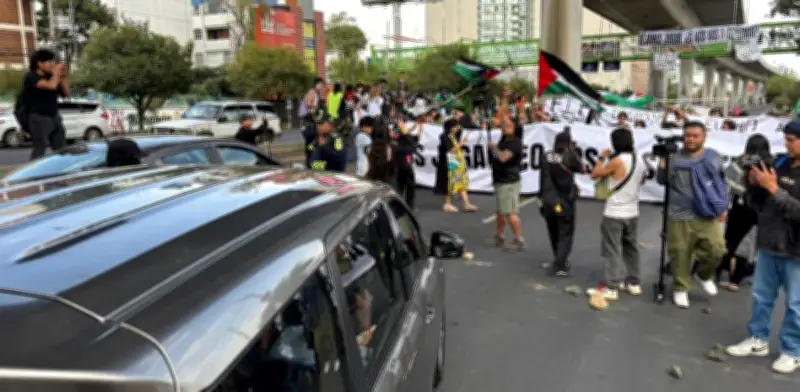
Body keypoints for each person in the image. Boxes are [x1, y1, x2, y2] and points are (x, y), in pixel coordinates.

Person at [725, 121, 800, 374]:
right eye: (786, 139)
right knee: (761, 297)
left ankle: (792, 351)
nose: (787, 144)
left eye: (792, 140)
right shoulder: (779, 163)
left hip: (795, 250)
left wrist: (773, 188)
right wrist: (754, 186)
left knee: (795, 304)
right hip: (769, 244)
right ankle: (758, 339)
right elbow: (758, 205)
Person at [656, 121, 727, 308]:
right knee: (680, 253)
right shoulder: (674, 157)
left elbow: (721, 184)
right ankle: (681, 288)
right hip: (679, 213)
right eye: (687, 135)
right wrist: (663, 162)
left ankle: (704, 275)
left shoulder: (713, 157)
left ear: (704, 137)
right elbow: (661, 181)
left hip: (707, 213)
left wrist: (723, 207)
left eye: (696, 135)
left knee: (717, 249)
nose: (691, 139)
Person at [586, 128, 647, 299]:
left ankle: (611, 287)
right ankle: (634, 283)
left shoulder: (617, 161)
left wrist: (602, 158)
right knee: (631, 248)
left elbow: (595, 174)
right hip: (632, 211)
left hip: (614, 212)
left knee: (611, 250)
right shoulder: (639, 158)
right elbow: (642, 180)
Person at [717, 134, 772, 291]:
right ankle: (735, 278)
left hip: (743, 205)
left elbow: (728, 178)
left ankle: (720, 272)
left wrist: (744, 193)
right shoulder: (769, 160)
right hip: (757, 208)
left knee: (731, 241)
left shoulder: (745, 159)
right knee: (746, 244)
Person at [539, 129, 585, 276]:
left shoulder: (546, 156)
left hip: (547, 200)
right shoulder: (569, 156)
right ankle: (559, 265)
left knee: (553, 231)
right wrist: (575, 151)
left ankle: (558, 260)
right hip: (563, 201)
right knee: (565, 232)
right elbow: (582, 169)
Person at [486, 116, 524, 251]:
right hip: (500, 179)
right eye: (504, 125)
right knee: (501, 211)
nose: (504, 127)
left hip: (509, 181)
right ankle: (499, 236)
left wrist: (493, 148)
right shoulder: (505, 140)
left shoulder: (515, 143)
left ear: (515, 129)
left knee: (510, 212)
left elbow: (503, 157)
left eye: (508, 126)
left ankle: (518, 239)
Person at [22, 49, 69, 160]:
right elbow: (50, 86)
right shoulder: (31, 76)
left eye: (53, 61)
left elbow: (66, 94)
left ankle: (61, 172)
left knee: (61, 148)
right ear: (39, 63)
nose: (53, 64)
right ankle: (32, 175)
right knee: (39, 150)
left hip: (54, 116)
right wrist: (56, 73)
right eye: (49, 62)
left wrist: (64, 77)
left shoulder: (52, 77)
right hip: (39, 118)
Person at [434, 119, 477, 213]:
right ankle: (447, 204)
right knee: (451, 183)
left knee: (460, 182)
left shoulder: (453, 135)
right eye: (455, 126)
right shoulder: (444, 136)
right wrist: (462, 142)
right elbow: (451, 150)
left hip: (456, 161)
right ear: (450, 127)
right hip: (450, 162)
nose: (457, 128)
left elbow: (463, 128)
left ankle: (466, 204)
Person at [391, 117, 422, 209]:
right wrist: (400, 126)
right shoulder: (397, 136)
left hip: (404, 164)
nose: (404, 125)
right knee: (404, 185)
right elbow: (398, 133)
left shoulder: (406, 136)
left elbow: (417, 136)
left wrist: (419, 126)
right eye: (403, 124)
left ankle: (403, 205)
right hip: (402, 164)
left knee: (404, 185)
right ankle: (403, 205)